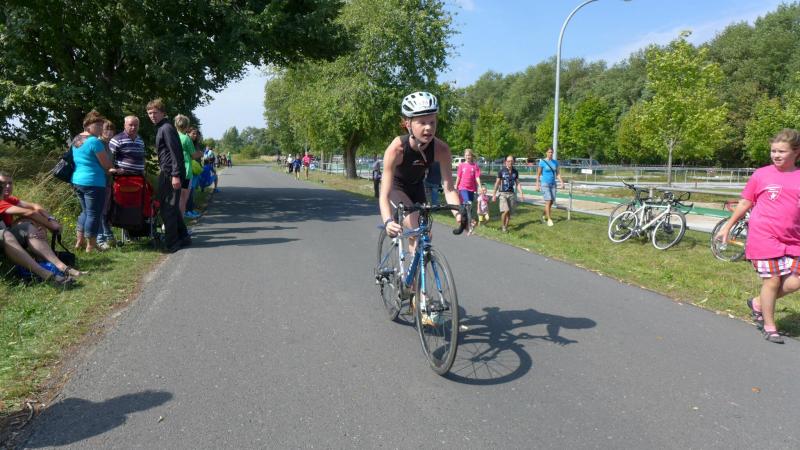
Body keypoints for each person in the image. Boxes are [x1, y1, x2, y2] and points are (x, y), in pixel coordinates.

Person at [715, 129, 800, 344]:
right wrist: (727, 226)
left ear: (796, 152)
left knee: (795, 281)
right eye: (773, 151)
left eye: (781, 151)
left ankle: (758, 303)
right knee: (772, 280)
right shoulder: (761, 175)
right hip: (764, 235)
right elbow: (745, 202)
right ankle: (770, 326)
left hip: (793, 237)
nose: (776, 155)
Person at [379, 91, 462, 257]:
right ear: (408, 124)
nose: (428, 127)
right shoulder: (396, 149)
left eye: (432, 122)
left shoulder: (441, 149)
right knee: (416, 226)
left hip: (417, 187)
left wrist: (460, 215)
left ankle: (414, 272)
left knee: (424, 235)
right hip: (396, 188)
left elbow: (449, 189)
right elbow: (384, 194)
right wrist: (387, 221)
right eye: (422, 122)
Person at [0, 171, 83, 284]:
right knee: (26, 222)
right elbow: (29, 212)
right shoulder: (1, 202)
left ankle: (62, 267)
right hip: (5, 237)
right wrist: (52, 227)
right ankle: (46, 271)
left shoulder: (9, 199)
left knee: (28, 223)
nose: (7, 186)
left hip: (8, 232)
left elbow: (35, 206)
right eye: (3, 184)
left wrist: (49, 219)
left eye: (10, 183)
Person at [146, 98, 190, 253]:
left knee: (168, 208)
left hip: (171, 173)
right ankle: (183, 237)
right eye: (149, 113)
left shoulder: (166, 128)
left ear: (163, 113)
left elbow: (176, 153)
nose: (152, 115)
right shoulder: (162, 128)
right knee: (170, 207)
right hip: (167, 173)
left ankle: (172, 244)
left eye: (155, 112)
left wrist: (176, 175)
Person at [72, 110, 114, 252]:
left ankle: (79, 242)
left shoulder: (76, 139)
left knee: (85, 212)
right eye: (98, 125)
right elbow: (106, 164)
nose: (101, 128)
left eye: (102, 125)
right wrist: (113, 169)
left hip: (78, 180)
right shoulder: (94, 141)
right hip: (93, 181)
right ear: (88, 125)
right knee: (93, 214)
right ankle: (91, 246)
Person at [174, 115, 202, 220]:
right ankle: (181, 221)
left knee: (175, 197)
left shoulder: (174, 136)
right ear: (186, 126)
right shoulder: (186, 138)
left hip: (175, 170)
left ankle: (173, 220)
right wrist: (201, 153)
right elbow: (194, 155)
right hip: (186, 170)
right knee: (183, 198)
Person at [96, 120, 117, 250]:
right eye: (106, 129)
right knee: (98, 211)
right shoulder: (98, 144)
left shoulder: (109, 145)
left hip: (108, 182)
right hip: (99, 181)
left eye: (111, 129)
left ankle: (107, 235)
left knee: (104, 211)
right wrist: (112, 170)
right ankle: (100, 239)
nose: (109, 132)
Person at [492, 155, 524, 233]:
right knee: (505, 210)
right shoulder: (501, 171)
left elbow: (517, 183)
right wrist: (494, 194)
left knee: (509, 212)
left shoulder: (515, 172)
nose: (510, 162)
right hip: (503, 193)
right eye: (508, 161)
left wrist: (521, 194)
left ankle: (506, 227)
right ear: (505, 162)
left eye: (511, 161)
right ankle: (503, 226)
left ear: (513, 162)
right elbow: (497, 183)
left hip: (511, 194)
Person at [536, 147, 564, 227]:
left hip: (553, 184)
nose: (550, 153)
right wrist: (537, 184)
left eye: (551, 152)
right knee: (548, 201)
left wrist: (562, 182)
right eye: (549, 152)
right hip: (545, 183)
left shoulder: (555, 162)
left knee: (551, 202)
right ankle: (549, 219)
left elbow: (557, 174)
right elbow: (538, 174)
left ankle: (543, 215)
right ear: (546, 153)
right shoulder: (542, 162)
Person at [455, 148, 481, 232]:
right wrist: (456, 185)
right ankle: (470, 223)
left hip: (471, 189)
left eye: (469, 155)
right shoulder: (461, 165)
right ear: (464, 156)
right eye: (466, 155)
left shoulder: (475, 166)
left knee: (467, 207)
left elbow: (477, 177)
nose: (467, 157)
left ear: (471, 156)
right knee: (467, 204)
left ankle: (464, 223)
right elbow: (459, 176)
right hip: (463, 188)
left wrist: (480, 186)